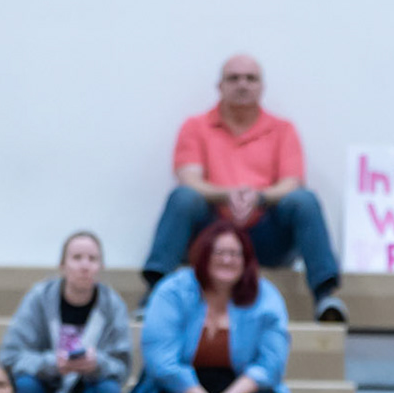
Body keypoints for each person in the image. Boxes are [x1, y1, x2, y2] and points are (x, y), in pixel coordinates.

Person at [143, 54, 346, 323]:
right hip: (211, 236)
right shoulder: (195, 127)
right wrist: (228, 195)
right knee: (183, 198)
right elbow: (189, 179)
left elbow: (291, 183)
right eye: (234, 78)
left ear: (262, 87)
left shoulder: (283, 130)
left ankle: (325, 296)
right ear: (220, 86)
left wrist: (258, 198)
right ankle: (154, 294)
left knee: (304, 200)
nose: (242, 85)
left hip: (266, 236)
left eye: (251, 78)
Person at [127, 222, 294, 393]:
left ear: (246, 260)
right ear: (203, 255)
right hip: (182, 392)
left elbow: (271, 364)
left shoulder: (266, 297)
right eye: (219, 252)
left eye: (235, 254)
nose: (227, 260)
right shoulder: (173, 290)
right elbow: (161, 362)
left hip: (240, 391)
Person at [0, 231, 134, 393]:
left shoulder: (113, 305)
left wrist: (96, 364)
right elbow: (10, 358)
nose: (85, 266)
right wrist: (52, 364)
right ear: (62, 265)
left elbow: (122, 368)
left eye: (92, 259)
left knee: (110, 392)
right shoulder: (39, 298)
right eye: (77, 257)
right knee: (24, 386)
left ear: (100, 267)